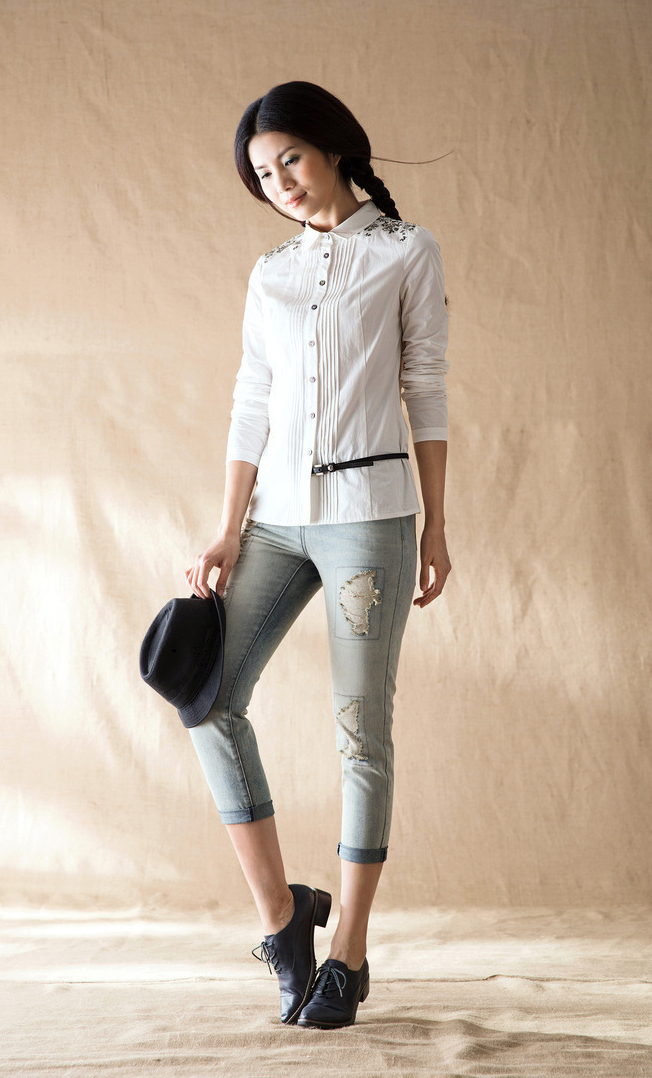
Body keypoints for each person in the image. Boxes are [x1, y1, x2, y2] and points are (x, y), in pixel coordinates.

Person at [184, 80, 451, 1030]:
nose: (281, 182)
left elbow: (426, 386)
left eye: (289, 158)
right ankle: (284, 917)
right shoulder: (272, 273)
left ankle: (350, 952)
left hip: (370, 519)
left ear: (333, 146)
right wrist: (229, 525)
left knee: (359, 732)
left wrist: (437, 523)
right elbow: (250, 398)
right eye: (263, 174)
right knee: (207, 694)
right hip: (277, 522)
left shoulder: (406, 251)